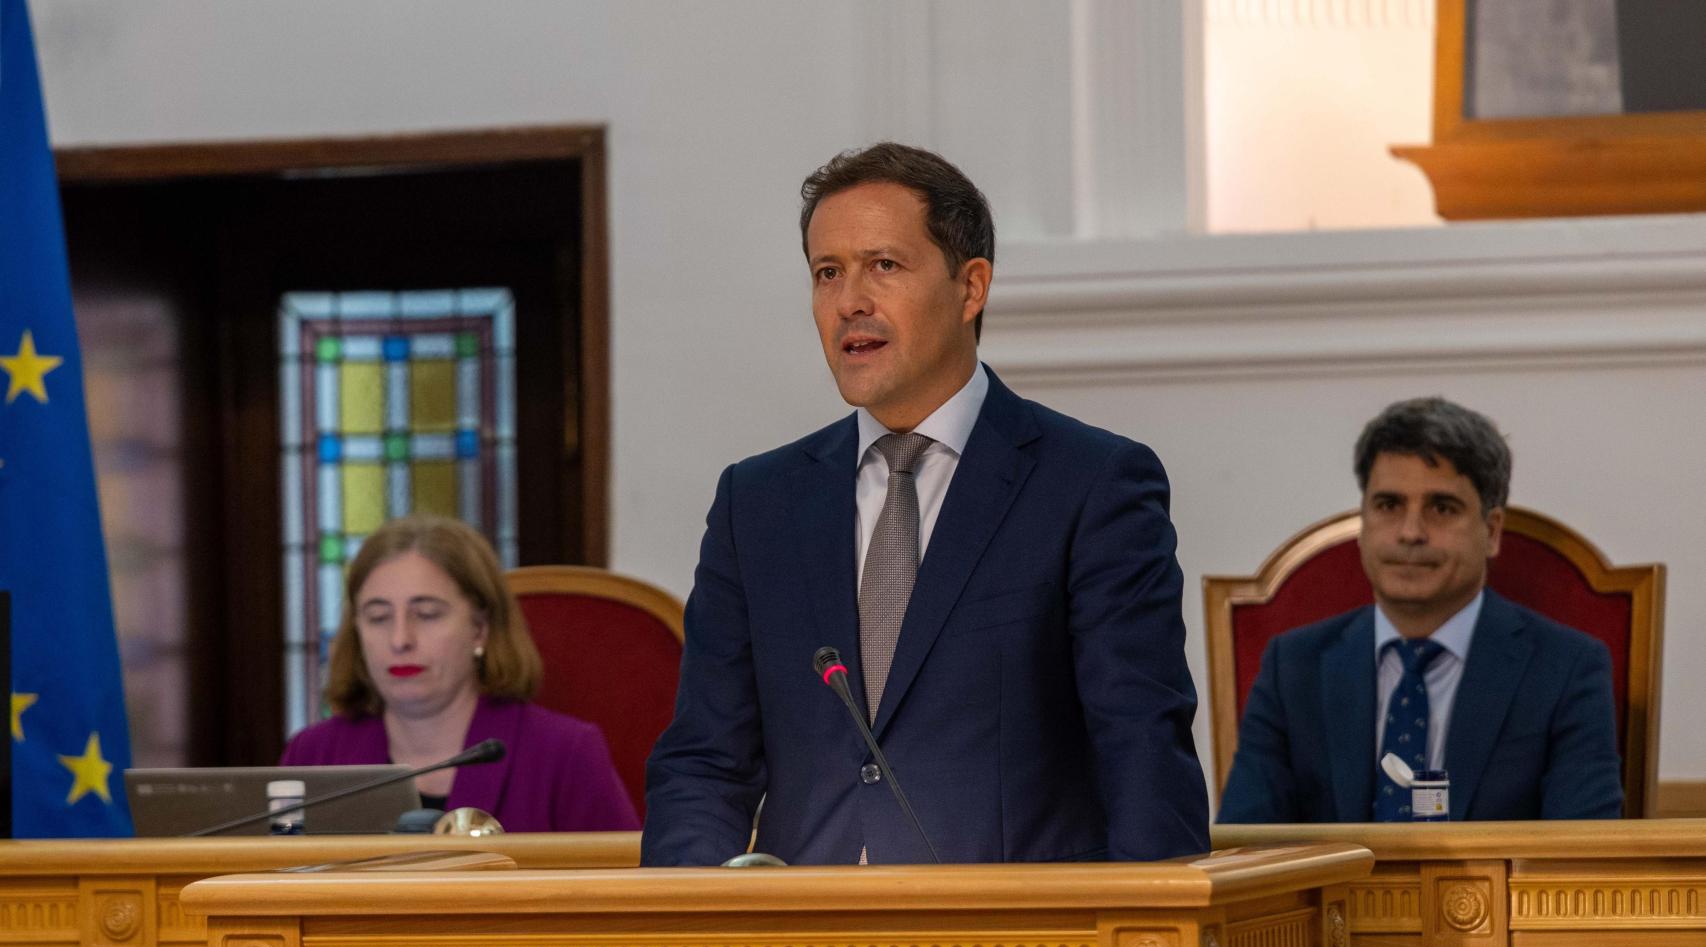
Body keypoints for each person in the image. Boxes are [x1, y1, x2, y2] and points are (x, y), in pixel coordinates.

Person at [642, 143, 1207, 865]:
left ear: (971, 288)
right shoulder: (756, 505)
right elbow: (705, 764)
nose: (850, 302)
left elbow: (1141, 751)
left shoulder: (1091, 485)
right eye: (827, 273)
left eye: (884, 265)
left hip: (1017, 941)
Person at [1218, 398, 1623, 822]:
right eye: (1389, 505)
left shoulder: (1565, 669)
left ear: (1492, 531)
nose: (1411, 532)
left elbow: (1580, 864)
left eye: (1442, 508)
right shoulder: (1294, 668)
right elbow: (1246, 849)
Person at [281, 514, 639, 832]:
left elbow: (626, 898)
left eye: (427, 614)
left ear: (480, 629)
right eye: (378, 617)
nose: (400, 639)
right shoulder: (313, 755)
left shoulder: (565, 754)